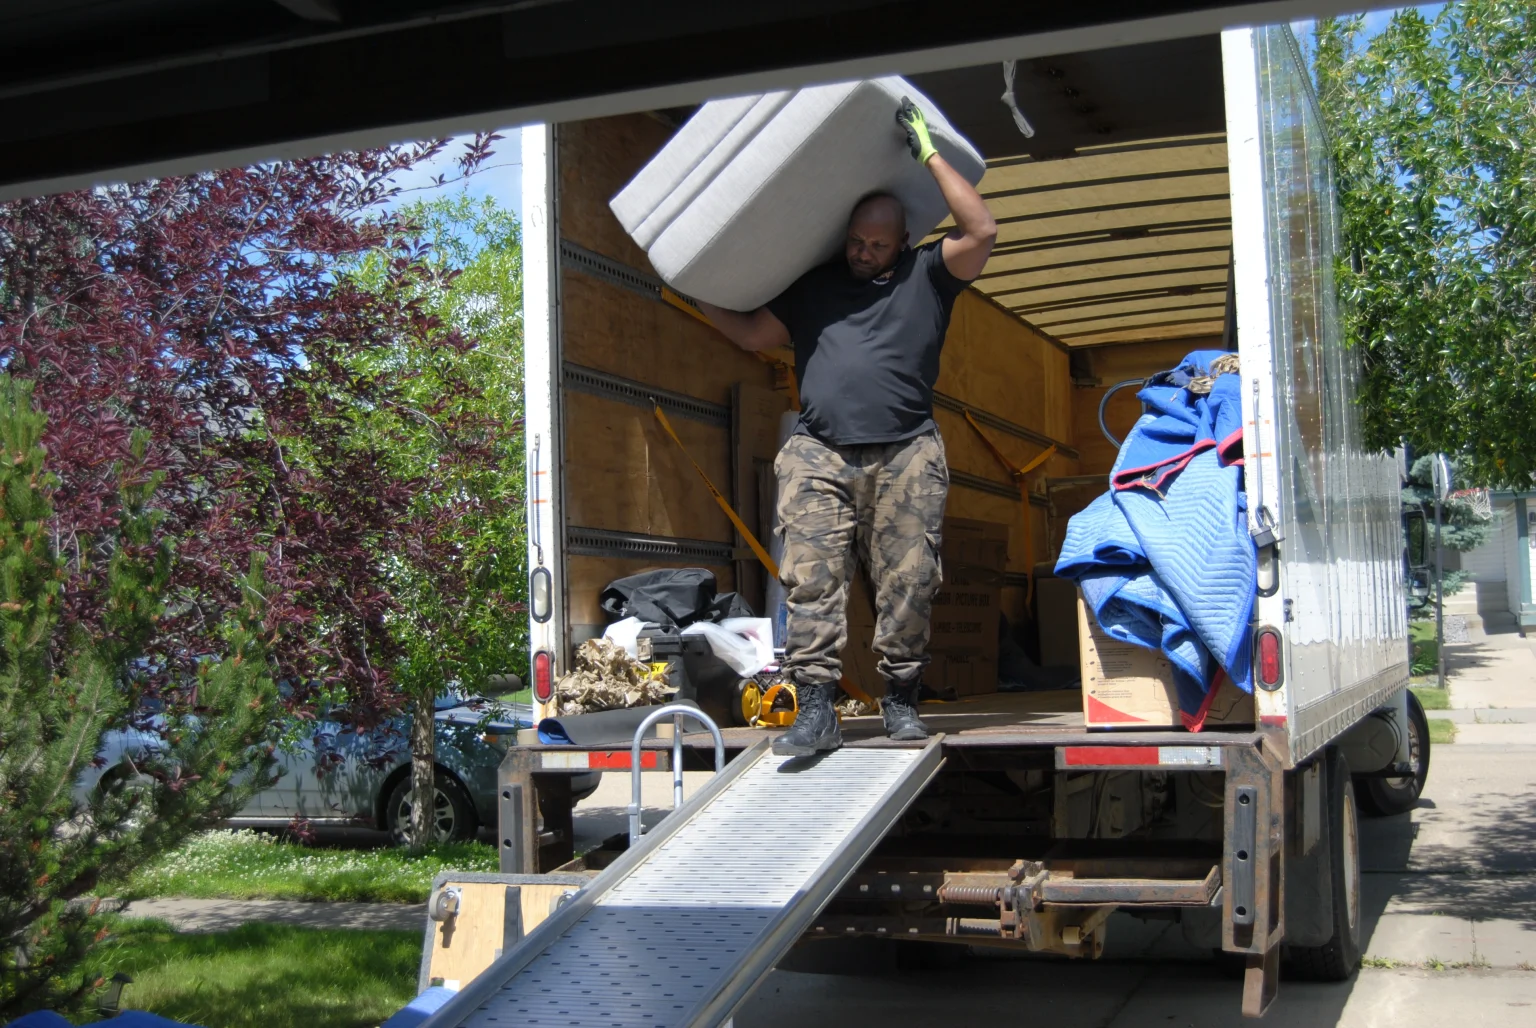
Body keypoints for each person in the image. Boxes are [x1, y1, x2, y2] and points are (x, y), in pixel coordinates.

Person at [697, 98, 997, 755]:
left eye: (877, 245)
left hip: (907, 451)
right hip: (820, 453)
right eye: (857, 242)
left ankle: (900, 699)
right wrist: (693, 284)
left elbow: (981, 230)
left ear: (901, 241)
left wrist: (929, 154)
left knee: (911, 582)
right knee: (811, 582)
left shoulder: (929, 275)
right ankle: (815, 710)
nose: (863, 253)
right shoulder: (815, 286)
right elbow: (752, 333)